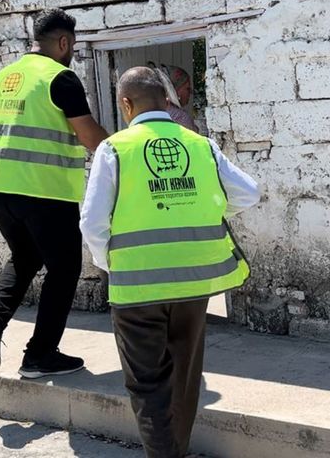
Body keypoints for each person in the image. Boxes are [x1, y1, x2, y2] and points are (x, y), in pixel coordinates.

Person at [80, 67, 259, 457]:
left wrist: (109, 263)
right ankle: (176, 449)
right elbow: (249, 193)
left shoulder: (115, 148)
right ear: (166, 100)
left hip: (137, 287)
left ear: (126, 104)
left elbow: (92, 222)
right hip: (194, 282)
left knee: (148, 384)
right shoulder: (201, 146)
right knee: (184, 378)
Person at [0, 8, 108, 379]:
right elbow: (90, 137)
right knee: (65, 269)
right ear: (63, 42)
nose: (73, 54)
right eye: (73, 47)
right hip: (43, 189)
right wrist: (127, 150)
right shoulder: (60, 78)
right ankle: (40, 355)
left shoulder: (3, 77)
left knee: (26, 257)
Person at [156, 64, 199, 133]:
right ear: (176, 90)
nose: (190, 92)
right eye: (187, 88)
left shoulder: (149, 112)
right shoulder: (181, 117)